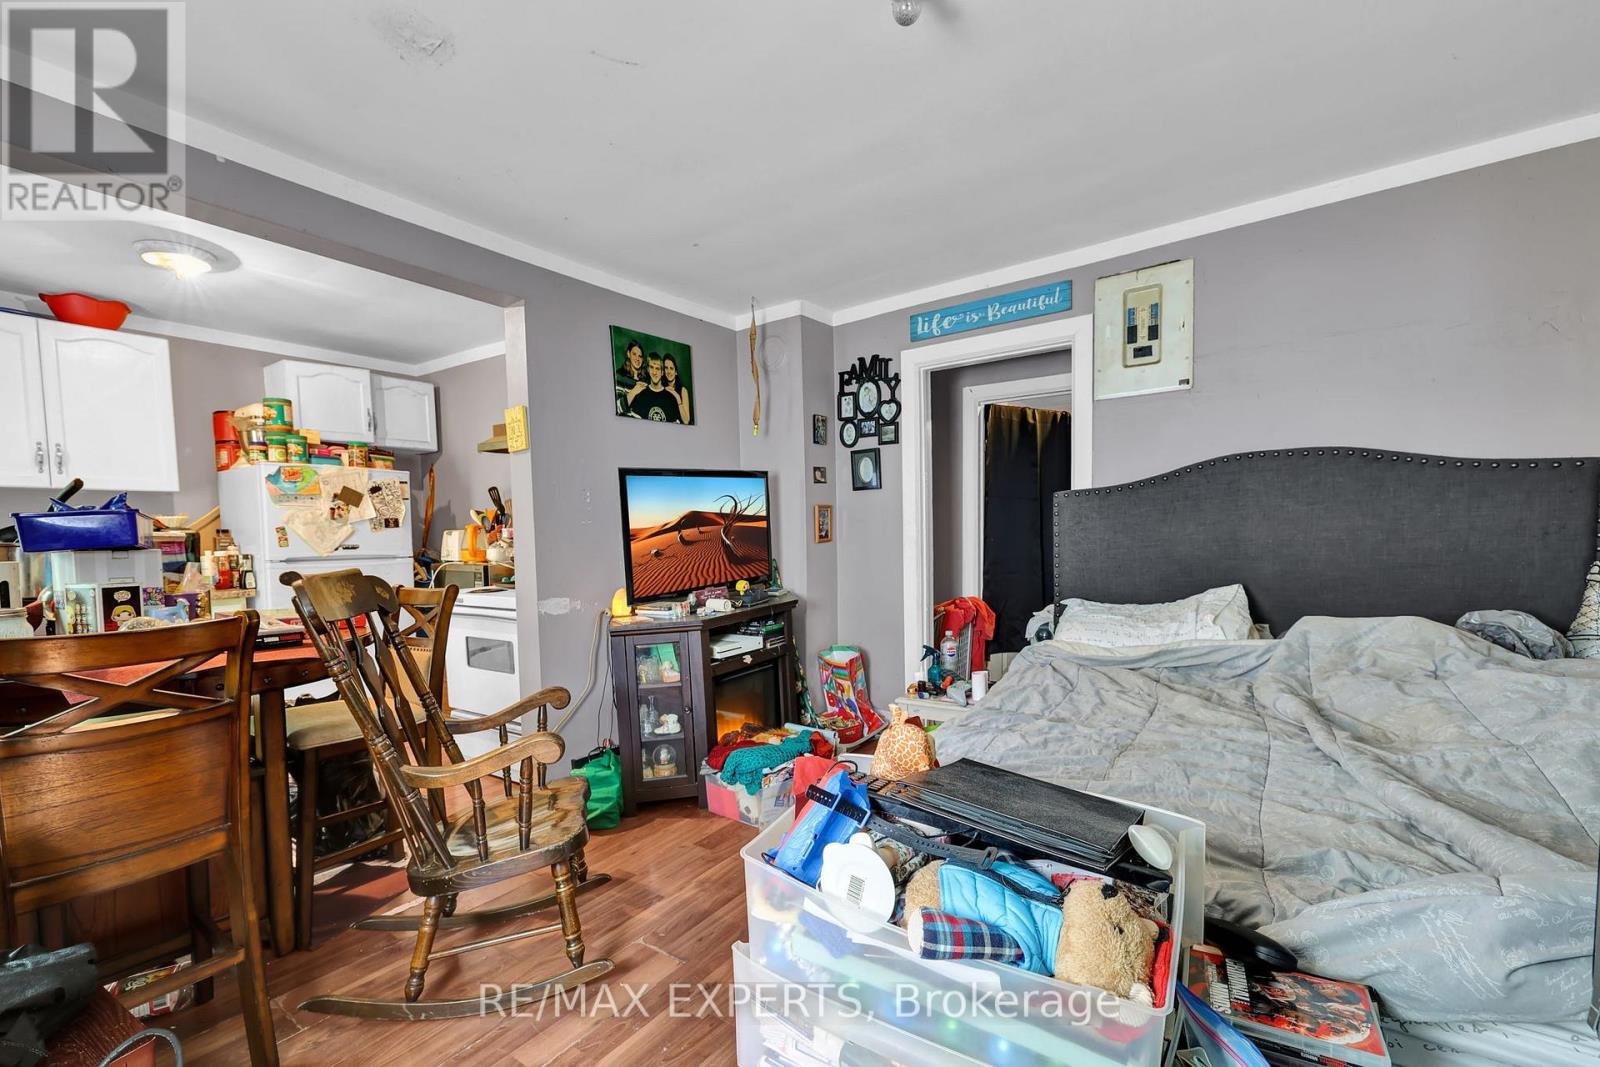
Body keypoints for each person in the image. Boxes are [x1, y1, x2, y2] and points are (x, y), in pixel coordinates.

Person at [625, 353, 682, 423]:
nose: (654, 372)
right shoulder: (640, 394)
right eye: (652, 367)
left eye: (657, 368)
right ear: (648, 370)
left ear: (662, 372)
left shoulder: (671, 397)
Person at [615, 340, 645, 415]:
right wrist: (634, 391)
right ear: (628, 354)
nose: (637, 359)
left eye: (640, 356)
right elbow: (617, 408)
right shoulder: (620, 376)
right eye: (634, 354)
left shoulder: (646, 380)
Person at [663, 353, 692, 424]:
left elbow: (686, 421)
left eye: (671, 368)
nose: (669, 371)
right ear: (663, 371)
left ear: (676, 372)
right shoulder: (661, 388)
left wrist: (677, 396)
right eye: (666, 368)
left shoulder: (683, 391)